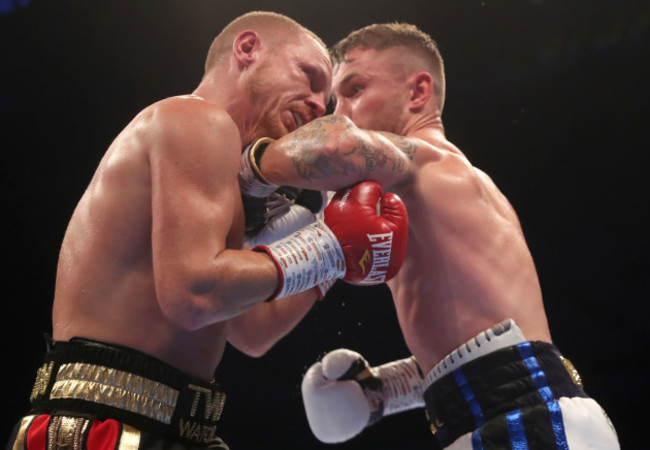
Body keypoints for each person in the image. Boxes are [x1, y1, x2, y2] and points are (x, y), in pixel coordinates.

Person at [6, 13, 410, 450]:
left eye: (325, 99)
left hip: (165, 427)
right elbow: (193, 295)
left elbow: (254, 331)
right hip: (108, 427)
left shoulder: (218, 177)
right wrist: (327, 247)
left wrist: (335, 243)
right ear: (247, 48)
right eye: (308, 77)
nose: (318, 104)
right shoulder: (196, 119)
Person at [237, 23, 620, 449]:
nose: (338, 111)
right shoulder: (379, 213)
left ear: (418, 93)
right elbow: (255, 332)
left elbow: (334, 145)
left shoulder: (433, 164)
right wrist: (384, 390)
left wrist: (249, 175)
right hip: (490, 420)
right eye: (335, 100)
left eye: (355, 89)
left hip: (528, 418)